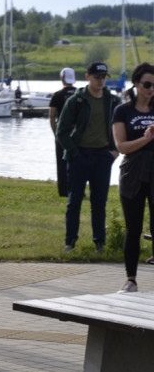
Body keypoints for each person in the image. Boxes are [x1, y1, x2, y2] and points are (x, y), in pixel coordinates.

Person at [56, 62, 119, 254]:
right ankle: (70, 241)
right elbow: (62, 131)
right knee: (74, 201)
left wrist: (114, 151)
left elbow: (119, 128)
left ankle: (99, 242)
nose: (100, 81)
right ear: (88, 77)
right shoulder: (77, 100)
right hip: (80, 155)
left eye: (103, 77)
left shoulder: (112, 101)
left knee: (99, 202)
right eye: (97, 77)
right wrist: (74, 153)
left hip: (102, 156)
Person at [112, 63, 154, 294]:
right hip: (133, 172)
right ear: (137, 84)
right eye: (147, 84)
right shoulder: (123, 111)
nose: (151, 89)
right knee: (133, 227)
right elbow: (122, 146)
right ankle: (131, 280)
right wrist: (147, 138)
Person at [49, 67, 77, 198]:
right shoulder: (80, 93)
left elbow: (52, 116)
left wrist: (56, 134)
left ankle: (63, 191)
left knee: (62, 163)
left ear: (62, 78)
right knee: (78, 162)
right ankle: (77, 188)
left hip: (62, 133)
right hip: (78, 133)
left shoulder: (57, 95)